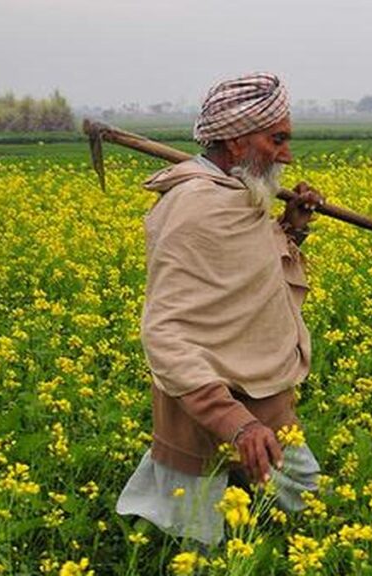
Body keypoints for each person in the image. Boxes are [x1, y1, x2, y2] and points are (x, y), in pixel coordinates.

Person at [116, 72, 324, 546]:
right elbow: (164, 332)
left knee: (308, 513)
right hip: (204, 401)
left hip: (263, 393)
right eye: (278, 139)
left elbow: (245, 274)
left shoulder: (237, 193)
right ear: (235, 142)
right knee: (199, 543)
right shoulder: (194, 207)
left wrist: (291, 229)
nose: (288, 155)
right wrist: (236, 422)